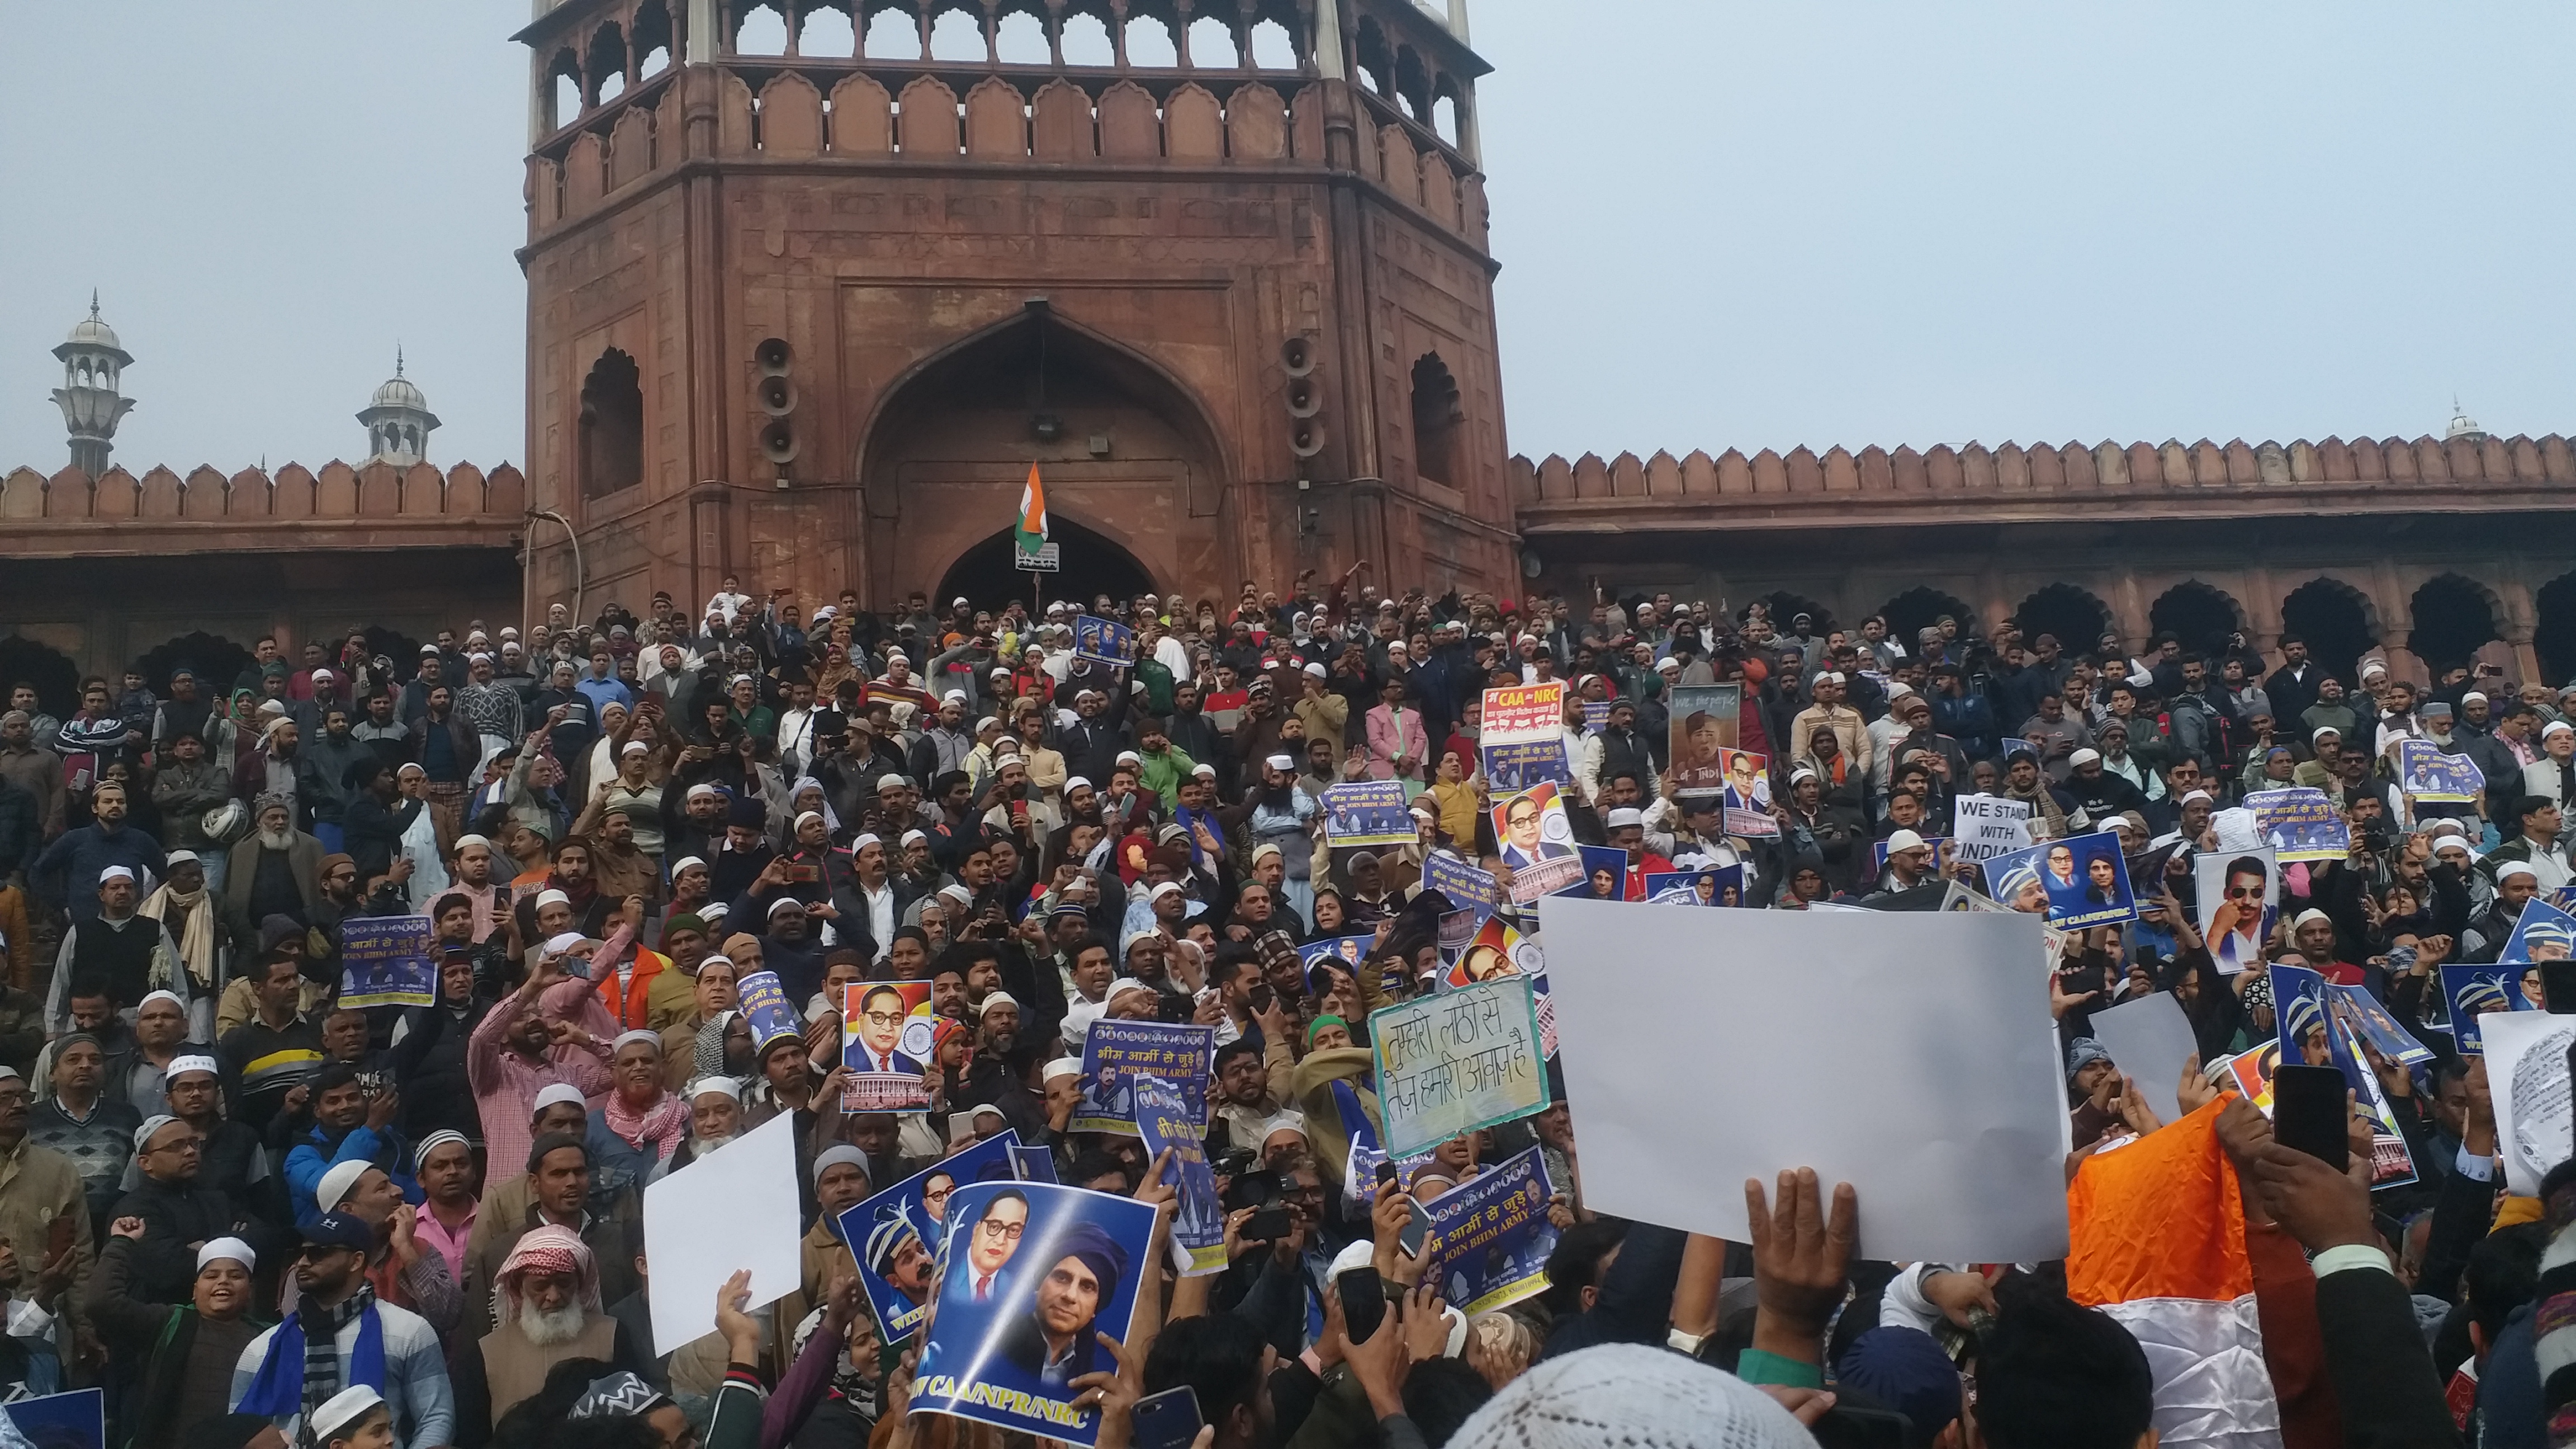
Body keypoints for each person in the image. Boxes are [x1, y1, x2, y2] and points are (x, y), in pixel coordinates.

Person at [229, 1210, 453, 1449]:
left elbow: (436, 1418)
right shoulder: (262, 1349)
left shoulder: (409, 1331)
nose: (303, 1263)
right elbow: (239, 1434)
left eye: (318, 1253)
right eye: (299, 1253)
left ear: (356, 1261)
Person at [84, 1229, 265, 1449]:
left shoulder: (268, 1338)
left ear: (250, 1291)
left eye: (235, 1276)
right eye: (211, 1276)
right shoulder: (170, 1322)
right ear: (195, 1290)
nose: (223, 1282)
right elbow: (102, 1304)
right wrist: (121, 1243)